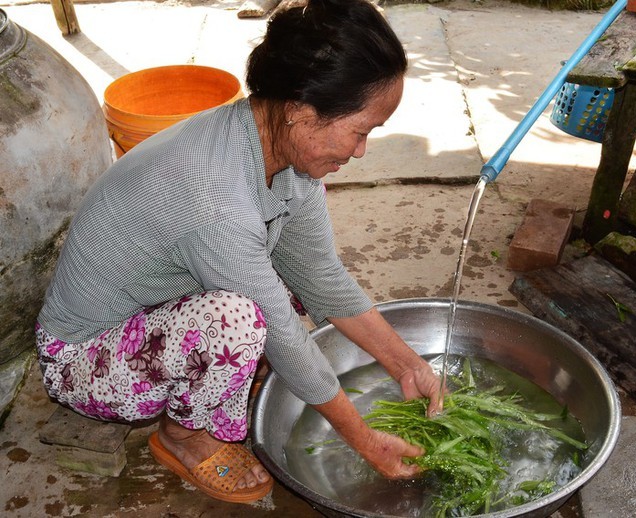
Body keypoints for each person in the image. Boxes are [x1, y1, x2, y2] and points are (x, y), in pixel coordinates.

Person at [35, 0, 442, 504]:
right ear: (300, 110)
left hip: (155, 315)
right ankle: (182, 437)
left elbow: (319, 275)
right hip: (85, 358)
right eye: (360, 131)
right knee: (240, 321)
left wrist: (408, 366)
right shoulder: (212, 195)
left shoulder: (281, 148)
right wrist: (364, 440)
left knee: (281, 291)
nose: (360, 151)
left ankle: (209, 383)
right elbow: (280, 331)